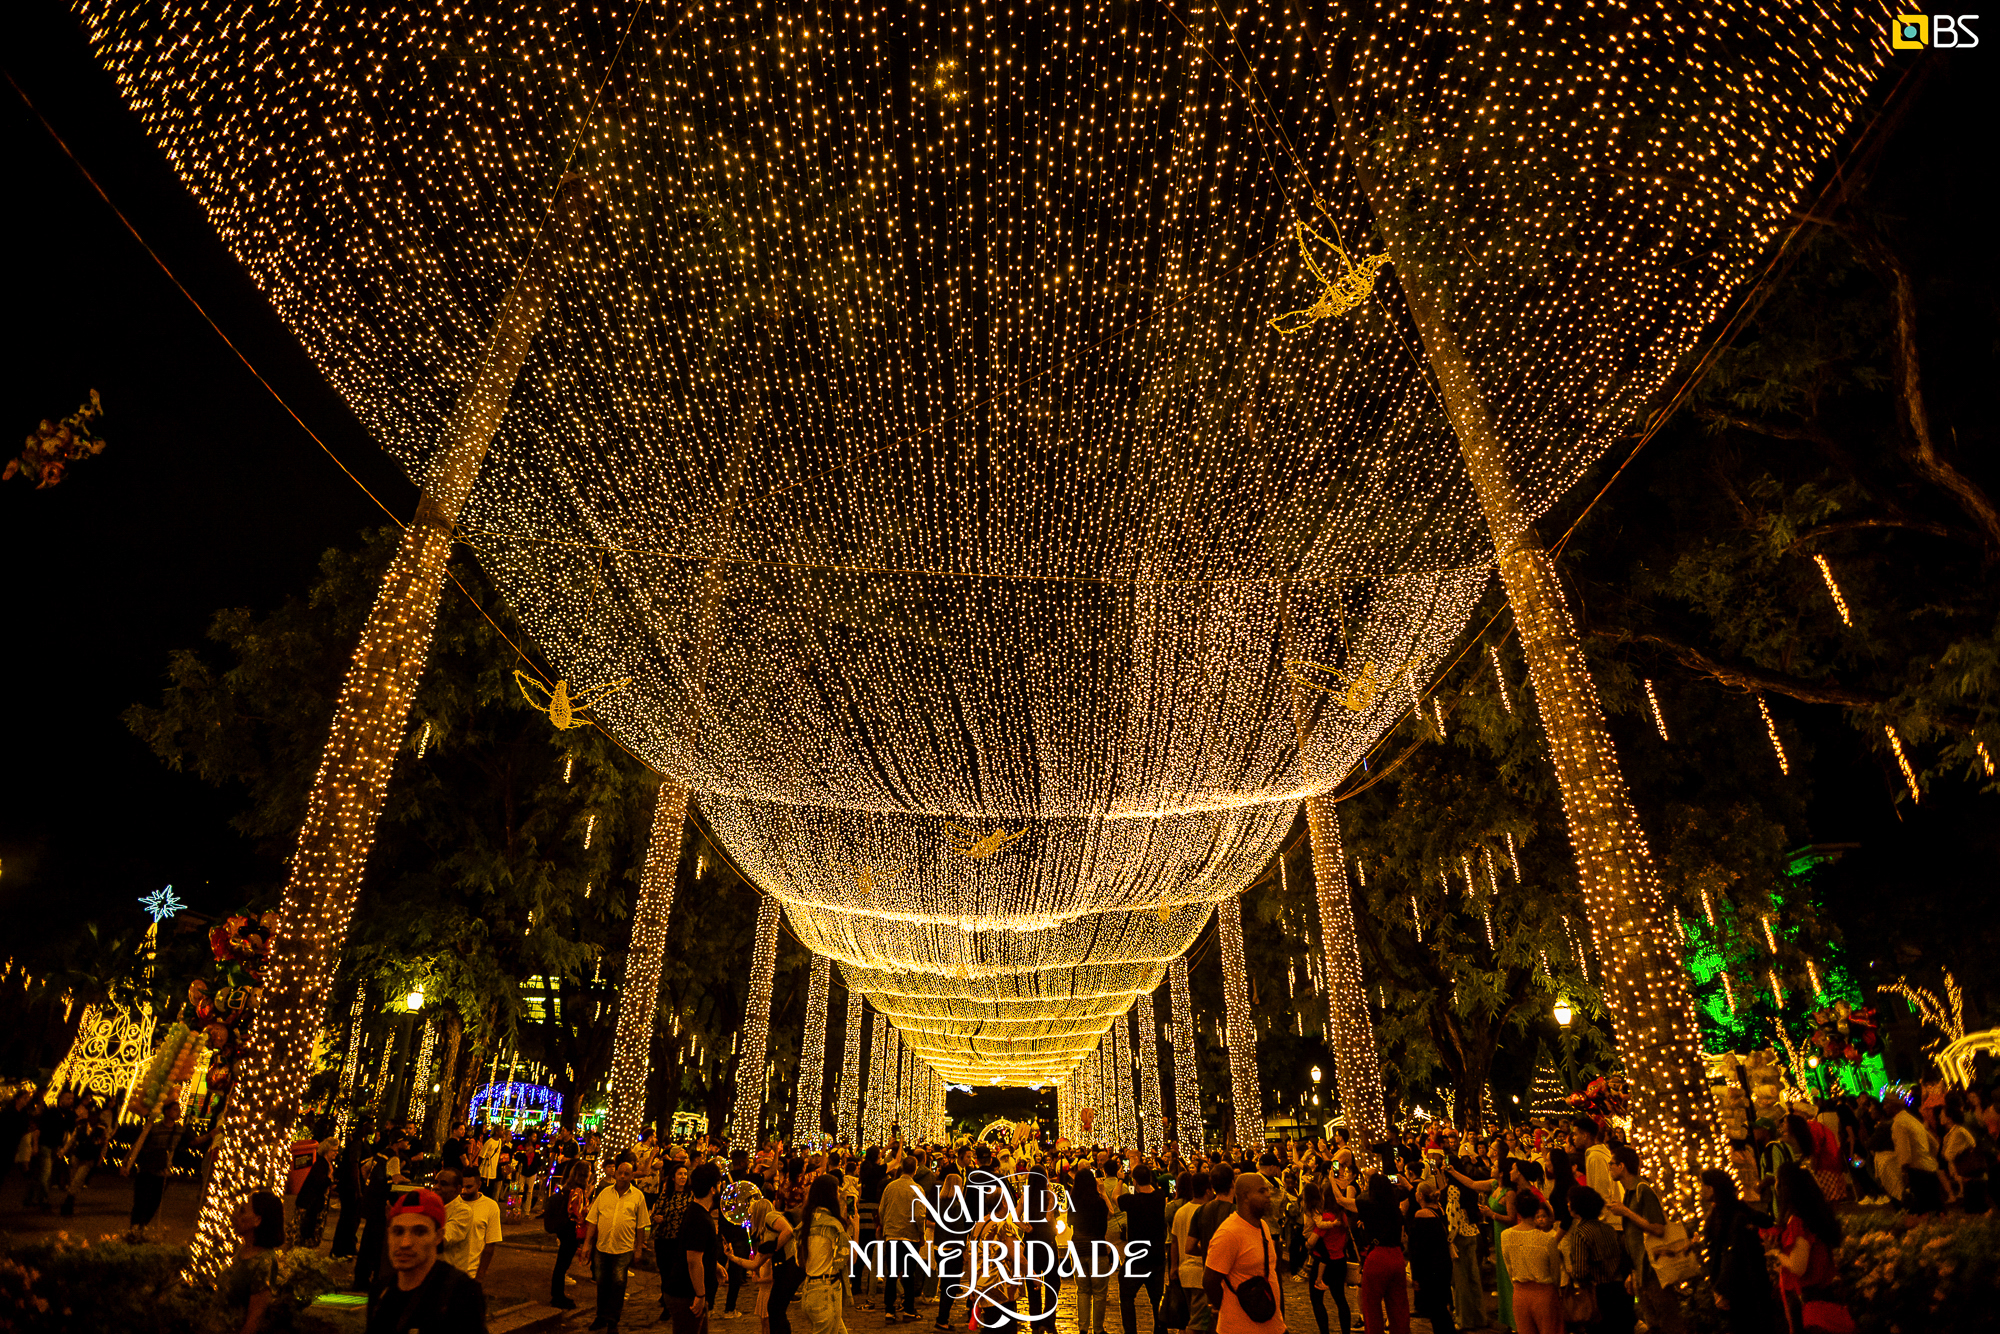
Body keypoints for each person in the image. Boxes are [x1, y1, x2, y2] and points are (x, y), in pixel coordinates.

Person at [365, 1188, 487, 1334]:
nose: (405, 1243)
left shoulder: (460, 1293)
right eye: (398, 1231)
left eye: (420, 1232)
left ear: (438, 1236)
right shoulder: (380, 1292)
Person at [1767, 1165, 1853, 1334]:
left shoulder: (1797, 1221)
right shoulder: (1815, 1216)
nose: (1775, 1186)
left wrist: (1776, 1254)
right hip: (1824, 1295)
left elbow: (1799, 1267)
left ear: (1785, 1188)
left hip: (1810, 1303)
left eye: (1777, 1181)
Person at [1204, 1168, 1286, 1334]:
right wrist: (1228, 1307)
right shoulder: (1229, 1233)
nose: (1268, 1195)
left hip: (1273, 1325)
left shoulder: (1263, 1226)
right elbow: (1210, 1280)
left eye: (1268, 1190)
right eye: (1262, 1191)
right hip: (1239, 1327)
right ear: (1245, 1196)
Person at [1700, 1169, 1776, 1334]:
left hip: (1740, 1289)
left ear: (1712, 1188)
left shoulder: (1728, 1216)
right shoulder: (1730, 1211)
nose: (1701, 1190)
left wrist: (1720, 1289)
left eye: (1704, 1186)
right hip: (1743, 1288)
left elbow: (1728, 1256)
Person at [584, 1156, 652, 1334]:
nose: (622, 1176)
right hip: (602, 1246)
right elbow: (592, 1220)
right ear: (615, 1174)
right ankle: (600, 1316)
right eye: (620, 1173)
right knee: (602, 1283)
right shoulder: (604, 1193)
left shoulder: (638, 1196)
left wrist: (638, 1248)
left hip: (623, 1248)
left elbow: (641, 1225)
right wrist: (586, 1244)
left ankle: (613, 1320)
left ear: (632, 1176)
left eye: (626, 1174)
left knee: (618, 1284)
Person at [663, 1161, 723, 1334]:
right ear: (713, 1189)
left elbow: (695, 1249)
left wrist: (714, 1265)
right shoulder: (700, 1219)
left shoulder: (697, 1212)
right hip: (685, 1294)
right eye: (719, 1185)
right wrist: (700, 1295)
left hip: (687, 1292)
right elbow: (693, 1261)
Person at [1561, 1187, 1630, 1334]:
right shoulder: (1609, 1229)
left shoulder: (1581, 1233)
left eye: (1570, 1202)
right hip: (1620, 1289)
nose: (1568, 1204)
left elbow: (1580, 1271)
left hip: (1599, 1294)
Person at [122, 1100, 187, 1238]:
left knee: (153, 1204)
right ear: (166, 1111)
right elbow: (138, 1145)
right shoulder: (153, 1128)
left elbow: (193, 1141)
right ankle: (133, 1230)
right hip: (146, 1170)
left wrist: (212, 1135)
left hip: (163, 1173)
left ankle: (141, 1228)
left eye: (178, 1110)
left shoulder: (180, 1130)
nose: (178, 1112)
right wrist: (126, 1162)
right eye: (175, 1109)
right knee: (140, 1202)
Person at [226, 1190, 287, 1334]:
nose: (235, 1216)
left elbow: (254, 1320)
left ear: (257, 1220)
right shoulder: (240, 1250)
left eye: (242, 1211)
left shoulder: (264, 1263)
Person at [1352, 1172, 1407, 1334]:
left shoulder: (1369, 1206)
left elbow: (1342, 1201)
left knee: (1372, 1307)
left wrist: (1334, 1181)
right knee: (1399, 1306)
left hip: (1377, 1257)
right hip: (1397, 1256)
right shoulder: (1395, 1209)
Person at [1500, 1194, 1560, 1334]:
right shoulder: (1547, 1239)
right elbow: (1555, 1273)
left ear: (1518, 1211)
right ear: (1535, 1211)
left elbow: (1509, 1267)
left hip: (1520, 1293)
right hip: (1544, 1294)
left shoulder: (1505, 1235)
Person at [799, 1174, 851, 1334]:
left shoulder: (806, 1222)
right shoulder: (833, 1226)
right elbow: (848, 1261)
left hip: (810, 1288)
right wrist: (853, 1231)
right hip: (826, 1291)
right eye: (837, 1192)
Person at [1121, 1165, 1169, 1334]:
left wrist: (1121, 1179)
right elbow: (1155, 1189)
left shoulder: (1131, 1201)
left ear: (1134, 1181)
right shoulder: (1159, 1196)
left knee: (1127, 1296)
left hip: (1136, 1258)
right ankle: (1160, 1329)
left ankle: (1131, 1331)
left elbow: (1115, 1198)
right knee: (1157, 1299)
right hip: (1156, 1255)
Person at [437, 1167, 505, 1282]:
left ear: (479, 1185)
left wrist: (480, 1275)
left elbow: (490, 1246)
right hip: (448, 1270)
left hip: (470, 1272)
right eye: (462, 1187)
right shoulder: (451, 1203)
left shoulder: (490, 1207)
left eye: (469, 1187)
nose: (464, 1191)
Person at [878, 1156, 925, 1322]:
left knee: (892, 1274)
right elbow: (920, 1215)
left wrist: (886, 1227)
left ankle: (889, 1310)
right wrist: (921, 1233)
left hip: (892, 1235)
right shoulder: (917, 1188)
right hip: (909, 1236)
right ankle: (909, 1310)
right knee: (909, 1275)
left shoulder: (890, 1187)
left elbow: (882, 1210)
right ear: (915, 1169)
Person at [1172, 1169, 1218, 1334]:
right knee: (1198, 1323)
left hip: (1185, 1272)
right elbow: (1189, 1246)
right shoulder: (1207, 1212)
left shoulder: (1181, 1211)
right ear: (1207, 1191)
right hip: (1200, 1272)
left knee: (1192, 1319)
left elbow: (1174, 1242)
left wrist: (1173, 1267)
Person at [1405, 1183, 1453, 1334]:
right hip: (1442, 1263)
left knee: (1436, 1311)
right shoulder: (1439, 1210)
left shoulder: (1422, 1215)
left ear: (1420, 1196)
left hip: (1429, 1268)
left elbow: (1417, 1248)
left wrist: (1416, 1276)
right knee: (1440, 1309)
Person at [543, 1152, 589, 1309]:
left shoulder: (568, 1188)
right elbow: (576, 1212)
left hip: (564, 1229)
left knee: (561, 1264)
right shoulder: (578, 1191)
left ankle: (557, 1294)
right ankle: (557, 1296)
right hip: (570, 1230)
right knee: (562, 1264)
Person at [1074, 1166, 1113, 1334]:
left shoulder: (1073, 1201)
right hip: (1097, 1248)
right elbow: (1111, 1213)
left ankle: (1083, 1328)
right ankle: (1098, 1329)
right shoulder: (1098, 1202)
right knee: (1099, 1292)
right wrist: (1103, 1192)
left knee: (1082, 1290)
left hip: (1078, 1248)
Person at [1891, 1097, 1943, 1214]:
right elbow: (1934, 1143)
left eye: (1886, 1105)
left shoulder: (1899, 1123)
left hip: (1916, 1169)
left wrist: (1904, 1170)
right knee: (1936, 1205)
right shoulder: (1912, 1120)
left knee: (1922, 1209)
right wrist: (1931, 1157)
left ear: (1894, 1107)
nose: (1884, 1108)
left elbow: (1903, 1148)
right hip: (1928, 1165)